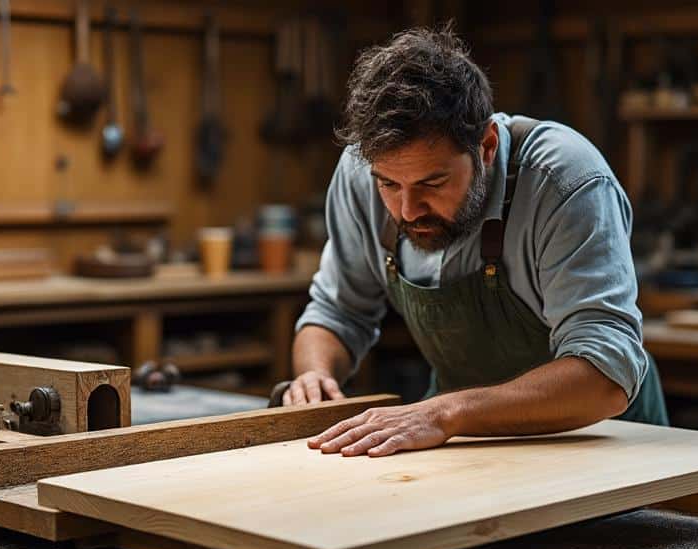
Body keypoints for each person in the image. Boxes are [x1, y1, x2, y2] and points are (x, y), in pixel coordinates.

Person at [286, 26, 667, 458]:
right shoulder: (361, 173)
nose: (409, 210)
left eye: (434, 182)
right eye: (390, 185)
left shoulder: (565, 182)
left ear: (485, 146)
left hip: (603, 444)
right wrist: (314, 377)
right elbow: (336, 312)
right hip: (467, 442)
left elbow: (605, 374)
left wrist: (445, 413)